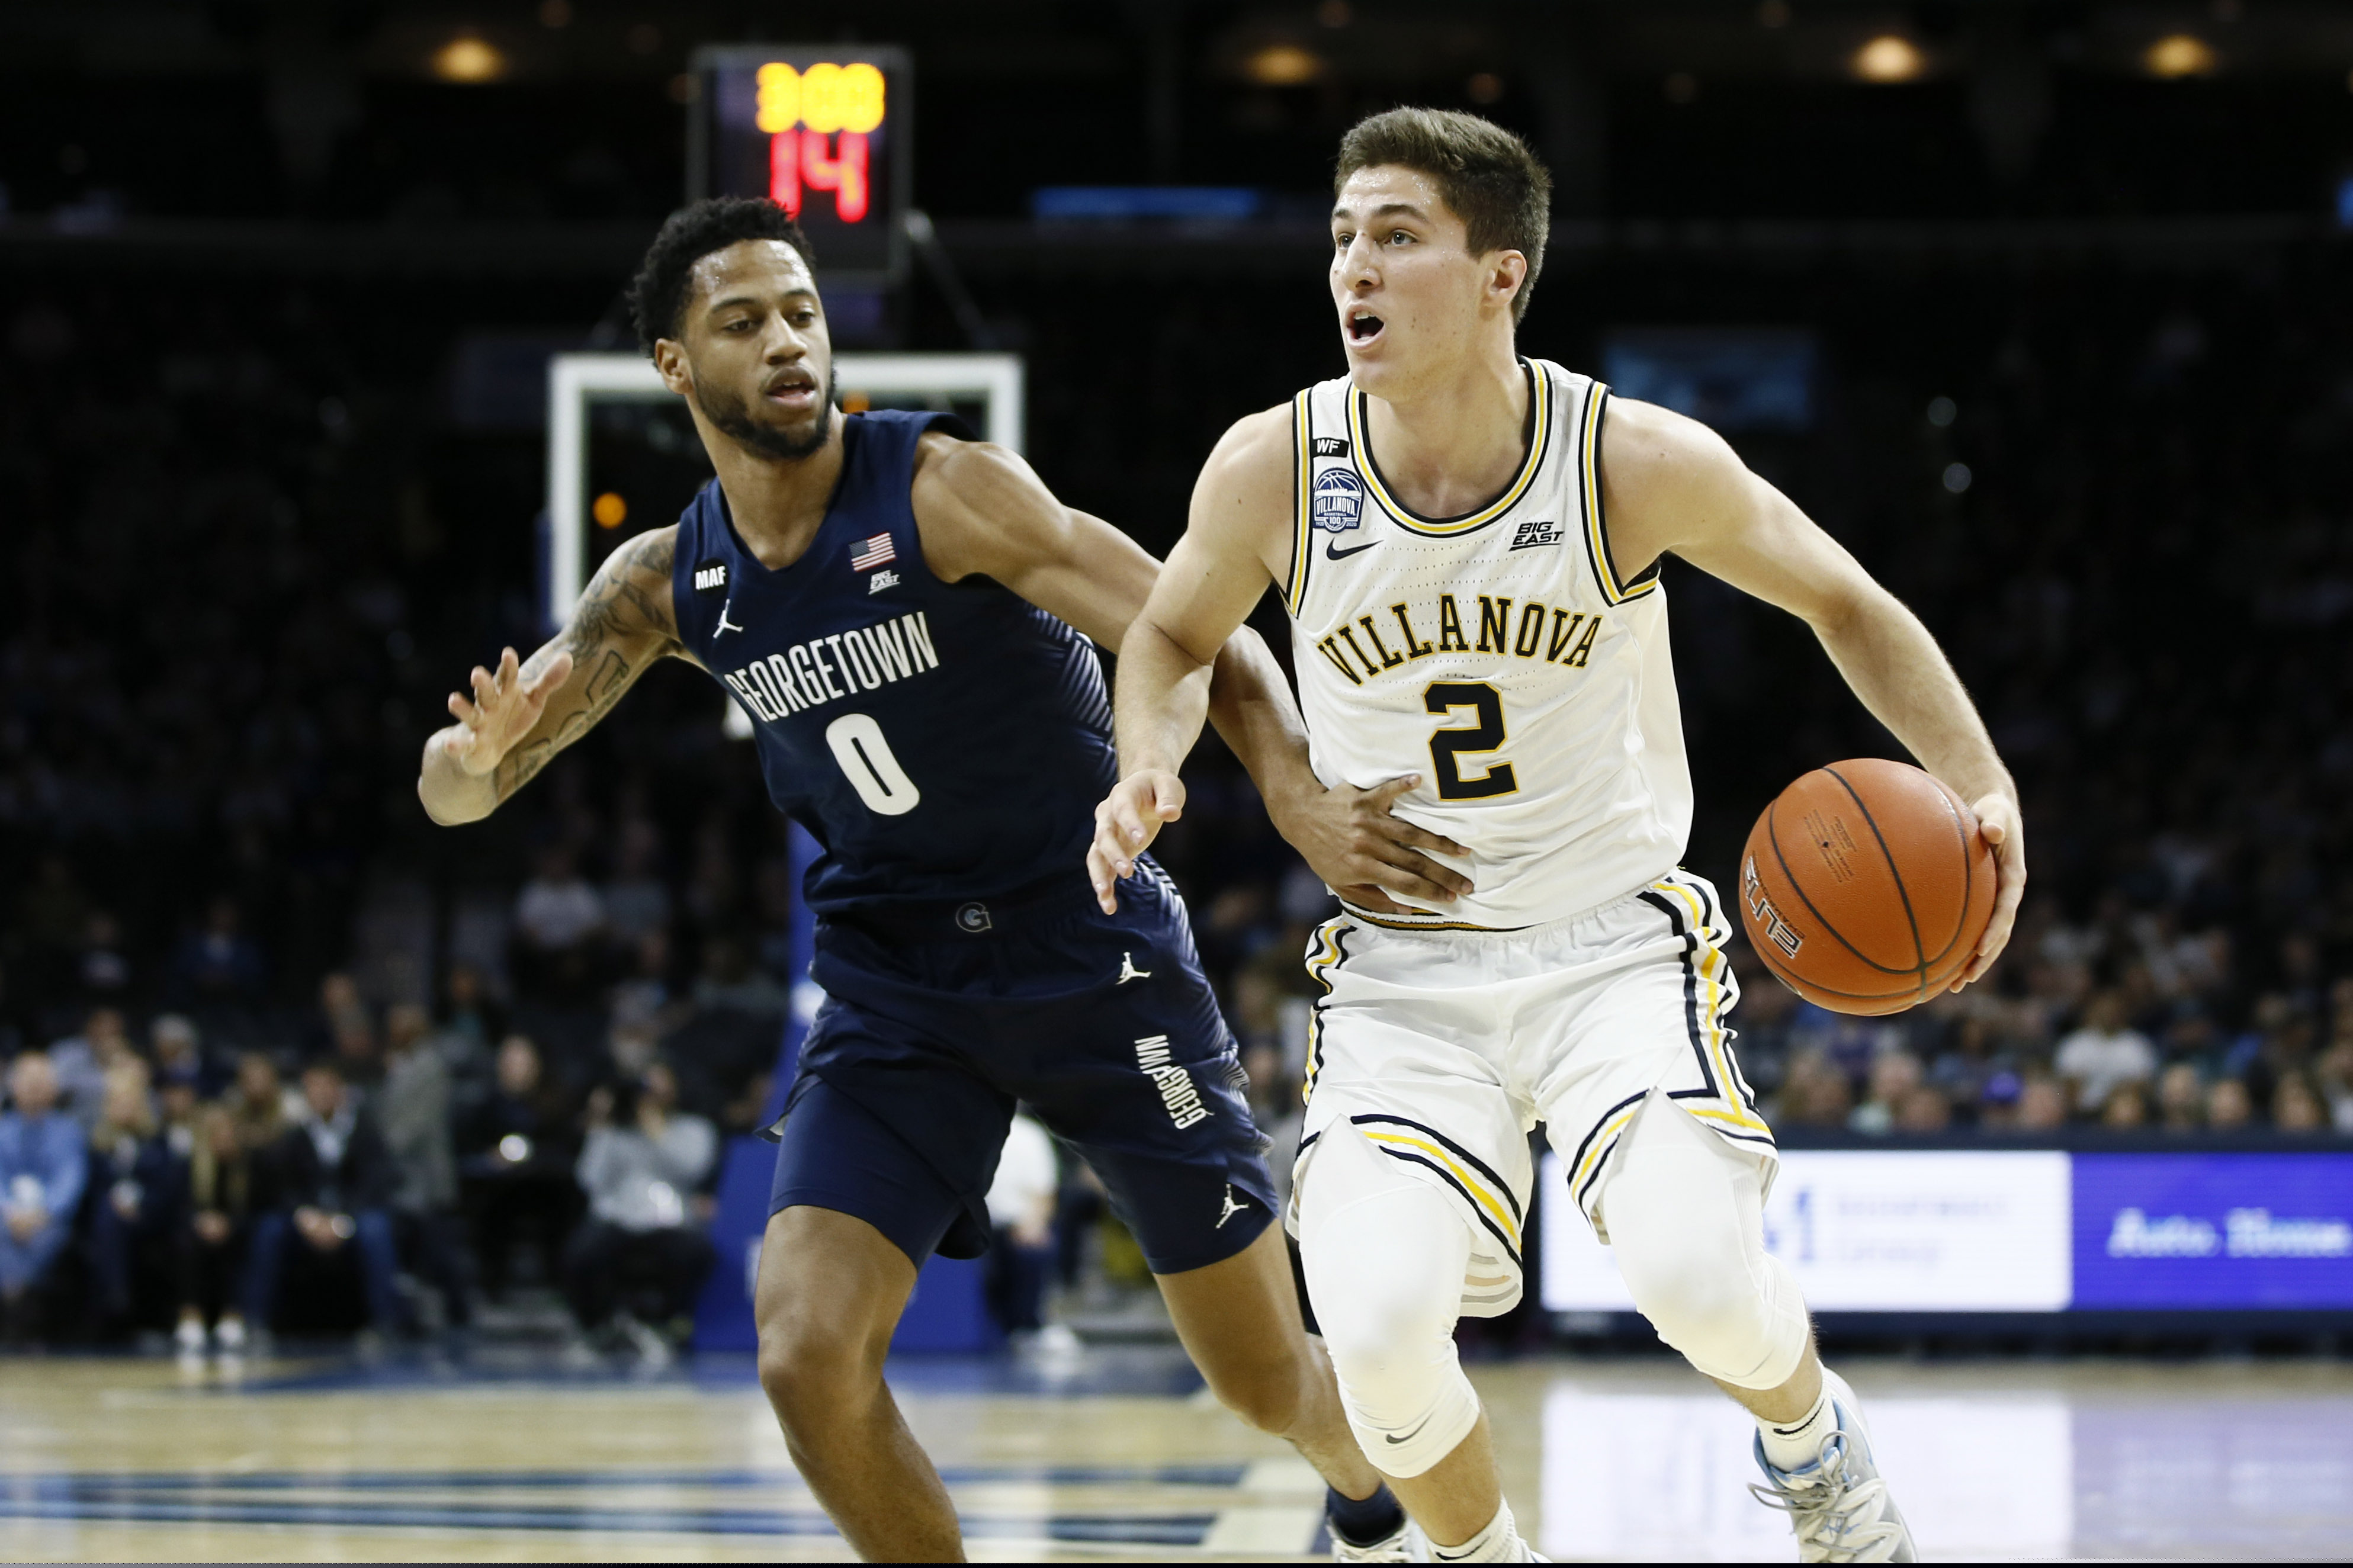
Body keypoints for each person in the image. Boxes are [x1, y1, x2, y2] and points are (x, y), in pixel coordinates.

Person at [414, 196, 1434, 1562]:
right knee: (803, 1353)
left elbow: (1187, 628)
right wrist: (475, 760)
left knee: (1262, 1380)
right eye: (741, 322)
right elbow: (458, 790)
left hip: (1089, 944)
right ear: (674, 367)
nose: (785, 342)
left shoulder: (945, 491)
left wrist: (1298, 795)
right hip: (899, 985)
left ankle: (1363, 1483)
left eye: (799, 312)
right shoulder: (667, 586)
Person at [1093, 107, 2027, 1563]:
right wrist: (1143, 765)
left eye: (1397, 235)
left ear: (1497, 276)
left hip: (1609, 954)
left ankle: (1812, 1445)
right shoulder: (1275, 466)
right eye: (1342, 236)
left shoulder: (1622, 460)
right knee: (1380, 1337)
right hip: (1405, 974)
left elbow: (1843, 600)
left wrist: (1979, 785)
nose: (1355, 265)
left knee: (1695, 1279)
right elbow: (1165, 635)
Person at [563, 1061, 717, 1356]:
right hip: (616, 1219)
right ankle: (596, 1327)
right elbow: (589, 1179)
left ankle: (670, 1323)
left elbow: (692, 1170)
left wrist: (655, 1130)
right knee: (579, 1255)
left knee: (696, 1253)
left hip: (669, 1221)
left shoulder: (693, 1129)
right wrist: (602, 1126)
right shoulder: (614, 1131)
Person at [248, 1061, 400, 1338]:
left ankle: (384, 1322)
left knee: (375, 1231)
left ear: (339, 1090)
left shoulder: (365, 1130)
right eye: (311, 1089)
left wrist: (343, 1218)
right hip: (310, 1218)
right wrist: (305, 1215)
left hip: (352, 1216)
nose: (318, 1095)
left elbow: (375, 1182)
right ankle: (258, 1322)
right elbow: (285, 1187)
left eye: (324, 1087)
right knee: (269, 1230)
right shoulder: (296, 1136)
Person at [0, 1052, 87, 1341]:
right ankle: (16, 1300)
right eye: (28, 1082)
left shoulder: (69, 1132)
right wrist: (9, 1212)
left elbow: (70, 1182)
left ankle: (20, 1300)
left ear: (53, 1088)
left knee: (48, 1238)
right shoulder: (2, 1129)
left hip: (49, 1220)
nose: (34, 1089)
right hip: (7, 1218)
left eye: (41, 1082)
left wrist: (42, 1213)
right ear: (13, 1086)